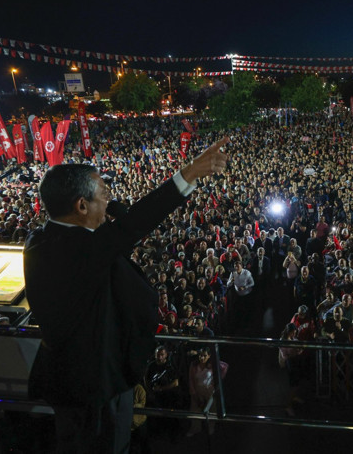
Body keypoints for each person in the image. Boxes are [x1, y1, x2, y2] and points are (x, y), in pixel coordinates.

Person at [23, 136, 228, 453]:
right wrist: (188, 174)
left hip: (74, 378)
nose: (107, 201)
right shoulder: (79, 251)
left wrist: (113, 213)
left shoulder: (43, 240)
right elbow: (132, 227)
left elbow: (109, 239)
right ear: (81, 205)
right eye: (103, 196)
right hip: (93, 386)